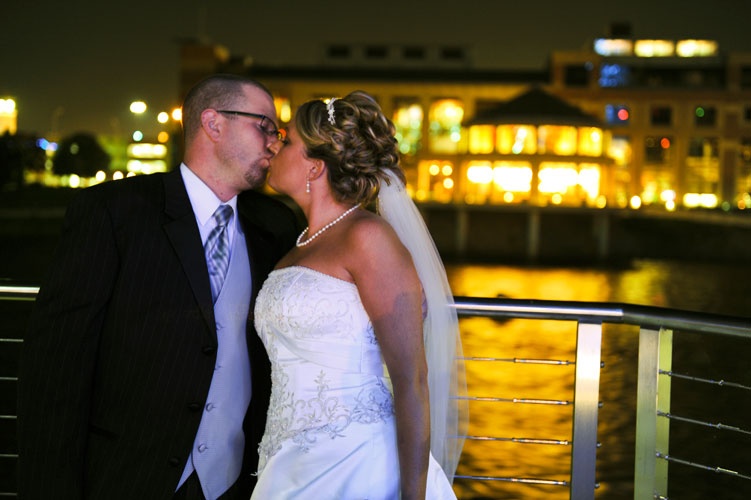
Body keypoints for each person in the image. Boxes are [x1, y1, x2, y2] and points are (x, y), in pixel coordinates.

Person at [17, 73, 299, 500]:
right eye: (264, 126)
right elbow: (55, 368)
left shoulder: (275, 225)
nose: (274, 144)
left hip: (236, 483)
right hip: (126, 479)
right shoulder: (113, 212)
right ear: (213, 123)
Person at [250, 91, 468, 499]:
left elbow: (412, 379)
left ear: (314, 166)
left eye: (287, 139)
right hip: (286, 458)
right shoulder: (299, 243)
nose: (274, 146)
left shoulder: (368, 237)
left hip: (358, 459)